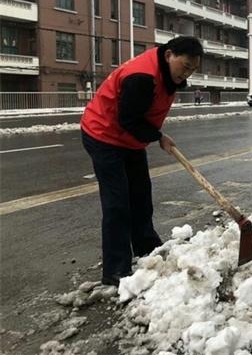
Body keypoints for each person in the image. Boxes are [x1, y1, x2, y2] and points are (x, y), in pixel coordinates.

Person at [80, 36, 203, 286]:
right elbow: (129, 119)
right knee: (117, 203)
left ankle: (148, 249)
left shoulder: (166, 73)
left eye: (193, 69)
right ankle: (116, 271)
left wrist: (154, 135)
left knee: (141, 195)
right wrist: (158, 136)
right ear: (169, 55)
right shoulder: (142, 77)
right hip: (103, 134)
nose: (187, 73)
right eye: (186, 66)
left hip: (129, 140)